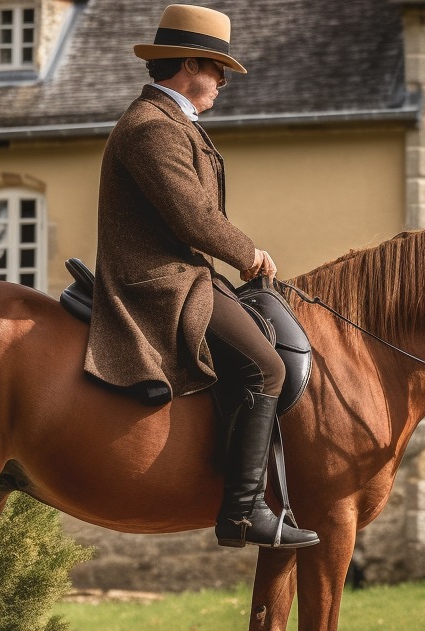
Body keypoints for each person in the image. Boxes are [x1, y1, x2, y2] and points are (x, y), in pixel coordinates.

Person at [83, 4, 318, 549]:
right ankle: (243, 512)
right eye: (217, 70)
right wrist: (247, 253)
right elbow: (191, 216)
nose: (220, 83)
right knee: (265, 366)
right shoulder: (150, 128)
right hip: (157, 281)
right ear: (189, 64)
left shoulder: (171, 124)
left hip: (185, 272)